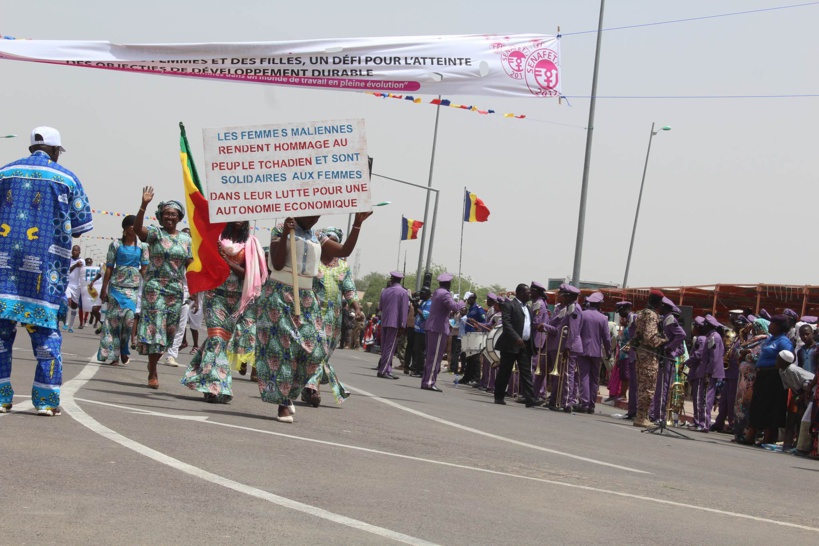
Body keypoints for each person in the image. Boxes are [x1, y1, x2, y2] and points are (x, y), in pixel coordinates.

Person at [0, 126, 92, 415]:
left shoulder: (4, 173)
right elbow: (80, 227)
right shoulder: (67, 178)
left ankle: (1, 398)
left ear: (30, 148)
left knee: (1, 338)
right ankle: (46, 401)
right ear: (54, 151)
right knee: (46, 338)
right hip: (44, 277)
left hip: (2, 273)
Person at [254, 212, 370, 423]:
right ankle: (282, 404)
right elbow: (278, 264)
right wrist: (287, 235)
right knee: (284, 350)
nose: (315, 217)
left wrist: (357, 225)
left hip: (307, 298)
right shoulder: (281, 228)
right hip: (280, 295)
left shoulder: (317, 236)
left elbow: (344, 251)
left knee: (316, 352)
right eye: (310, 213)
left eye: (318, 214)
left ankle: (288, 393)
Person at [182, 221, 266, 403]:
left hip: (238, 301)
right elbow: (204, 264)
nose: (238, 219)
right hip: (215, 296)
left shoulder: (251, 243)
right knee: (217, 338)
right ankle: (216, 386)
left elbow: (249, 275)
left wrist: (227, 262)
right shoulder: (217, 240)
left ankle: (197, 374)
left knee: (220, 341)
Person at [133, 186, 192, 389]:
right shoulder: (155, 234)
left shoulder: (186, 239)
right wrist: (143, 205)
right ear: (160, 216)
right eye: (166, 213)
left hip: (175, 291)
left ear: (179, 217)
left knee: (168, 331)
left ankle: (154, 363)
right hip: (154, 288)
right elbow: (137, 230)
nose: (169, 217)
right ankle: (153, 371)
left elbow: (191, 266)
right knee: (155, 330)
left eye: (173, 214)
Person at [300, 227, 360, 407]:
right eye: (329, 241)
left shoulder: (343, 266)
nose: (332, 245)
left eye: (336, 242)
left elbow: (349, 289)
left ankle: (307, 387)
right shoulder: (312, 261)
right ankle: (313, 389)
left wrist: (356, 307)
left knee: (323, 354)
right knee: (315, 351)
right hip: (312, 313)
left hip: (334, 319)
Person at [96, 215, 148, 365]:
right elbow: (109, 268)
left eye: (135, 225)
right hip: (116, 288)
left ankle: (124, 347)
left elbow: (144, 269)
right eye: (131, 225)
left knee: (129, 320)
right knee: (113, 322)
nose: (133, 228)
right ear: (125, 228)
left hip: (132, 288)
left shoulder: (142, 247)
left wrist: (150, 286)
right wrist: (104, 288)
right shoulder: (115, 245)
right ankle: (114, 354)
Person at [743, 314, 793, 445]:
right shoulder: (770, 340)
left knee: (770, 406)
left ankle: (767, 438)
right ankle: (751, 435)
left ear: (778, 326)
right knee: (757, 405)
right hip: (762, 375)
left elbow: (789, 358)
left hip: (774, 376)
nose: (769, 326)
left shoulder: (783, 341)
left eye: (772, 324)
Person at [493, 284, 537, 407]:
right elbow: (507, 324)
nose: (530, 294)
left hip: (525, 345)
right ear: (520, 293)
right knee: (505, 371)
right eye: (528, 292)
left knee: (526, 372)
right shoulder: (509, 305)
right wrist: (516, 337)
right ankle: (499, 396)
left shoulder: (528, 308)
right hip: (511, 344)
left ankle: (530, 399)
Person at [421, 273, 465, 393]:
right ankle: (430, 382)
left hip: (431, 326)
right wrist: (462, 302)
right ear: (448, 283)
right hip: (438, 327)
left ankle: (426, 380)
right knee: (435, 357)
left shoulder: (436, 292)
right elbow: (454, 307)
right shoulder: (445, 294)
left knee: (430, 356)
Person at [632, 290, 666, 427]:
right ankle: (641, 417)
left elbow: (638, 335)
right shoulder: (651, 315)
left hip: (641, 353)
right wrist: (663, 340)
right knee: (648, 386)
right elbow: (650, 338)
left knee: (642, 386)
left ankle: (641, 416)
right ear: (658, 302)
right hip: (649, 354)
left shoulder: (641, 313)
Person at [650, 298, 687, 423]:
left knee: (662, 388)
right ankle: (655, 415)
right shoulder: (664, 318)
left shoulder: (670, 318)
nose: (658, 307)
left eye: (660, 305)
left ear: (665, 306)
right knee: (659, 387)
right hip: (662, 356)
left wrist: (669, 348)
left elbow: (682, 334)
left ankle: (660, 416)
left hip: (666, 358)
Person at [548, 284, 583, 413]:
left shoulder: (574, 309)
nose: (561, 297)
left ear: (569, 296)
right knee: (564, 375)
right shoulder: (569, 307)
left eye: (563, 295)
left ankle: (567, 403)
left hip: (571, 346)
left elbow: (573, 331)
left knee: (568, 375)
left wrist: (567, 347)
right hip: (565, 345)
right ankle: (560, 400)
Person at [733, 317, 769, 443]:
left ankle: (747, 434)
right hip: (743, 379)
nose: (754, 329)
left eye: (757, 326)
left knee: (748, 406)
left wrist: (745, 353)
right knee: (739, 405)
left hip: (752, 380)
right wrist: (744, 352)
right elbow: (737, 353)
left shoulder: (765, 340)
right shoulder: (752, 340)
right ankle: (738, 434)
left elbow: (754, 356)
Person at [576, 292, 611, 414]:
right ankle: (591, 404)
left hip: (582, 350)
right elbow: (607, 338)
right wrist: (608, 351)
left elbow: (577, 332)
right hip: (596, 352)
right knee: (594, 379)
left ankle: (584, 403)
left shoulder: (582, 314)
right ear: (599, 305)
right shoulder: (603, 318)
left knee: (584, 376)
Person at [693, 315, 725, 432]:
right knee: (704, 397)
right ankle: (702, 422)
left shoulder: (713, 337)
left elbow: (714, 358)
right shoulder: (711, 336)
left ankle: (705, 424)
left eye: (705, 324)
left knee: (707, 398)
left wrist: (708, 373)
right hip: (706, 371)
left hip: (709, 373)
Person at [376, 271, 409, 380]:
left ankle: (387, 369)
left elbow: (380, 307)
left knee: (385, 347)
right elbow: (404, 310)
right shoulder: (403, 292)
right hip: (395, 323)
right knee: (390, 348)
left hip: (384, 321)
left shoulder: (385, 291)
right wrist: (403, 325)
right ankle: (383, 370)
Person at [529, 282, 552, 401]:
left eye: (531, 291)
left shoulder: (538, 303)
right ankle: (538, 393)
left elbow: (536, 322)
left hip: (538, 338)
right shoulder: (537, 302)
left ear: (536, 291)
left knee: (536, 366)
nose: (529, 293)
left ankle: (539, 393)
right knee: (537, 367)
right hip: (538, 338)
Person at [460, 292, 486, 385]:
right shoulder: (470, 309)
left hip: (476, 335)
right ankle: (467, 377)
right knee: (469, 358)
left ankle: (476, 378)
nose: (468, 301)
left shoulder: (479, 309)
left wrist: (478, 326)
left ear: (474, 299)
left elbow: (484, 321)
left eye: (469, 299)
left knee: (475, 358)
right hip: (468, 335)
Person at [409, 287, 432, 378]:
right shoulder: (423, 302)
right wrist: (415, 306)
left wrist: (417, 307)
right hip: (417, 329)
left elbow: (425, 315)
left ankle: (420, 371)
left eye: (422, 293)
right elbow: (416, 314)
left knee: (420, 352)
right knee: (417, 351)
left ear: (427, 294)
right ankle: (416, 368)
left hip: (423, 331)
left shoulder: (429, 303)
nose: (420, 295)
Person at [63, 245, 84, 333]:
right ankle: (66, 322)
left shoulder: (82, 261)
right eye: (73, 250)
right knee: (68, 301)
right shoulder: (68, 260)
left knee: (74, 306)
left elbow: (83, 272)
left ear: (79, 252)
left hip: (77, 286)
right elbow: (67, 271)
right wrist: (75, 265)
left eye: (76, 250)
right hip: (68, 284)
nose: (74, 251)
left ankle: (71, 326)